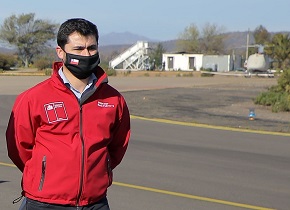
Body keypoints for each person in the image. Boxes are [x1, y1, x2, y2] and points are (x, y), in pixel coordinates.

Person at [6, 18, 131, 210]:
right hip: (44, 203)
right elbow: (19, 148)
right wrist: (43, 174)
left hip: (94, 203)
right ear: (60, 52)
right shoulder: (33, 98)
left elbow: (117, 146)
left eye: (92, 48)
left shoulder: (114, 100)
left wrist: (98, 171)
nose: (86, 54)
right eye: (78, 49)